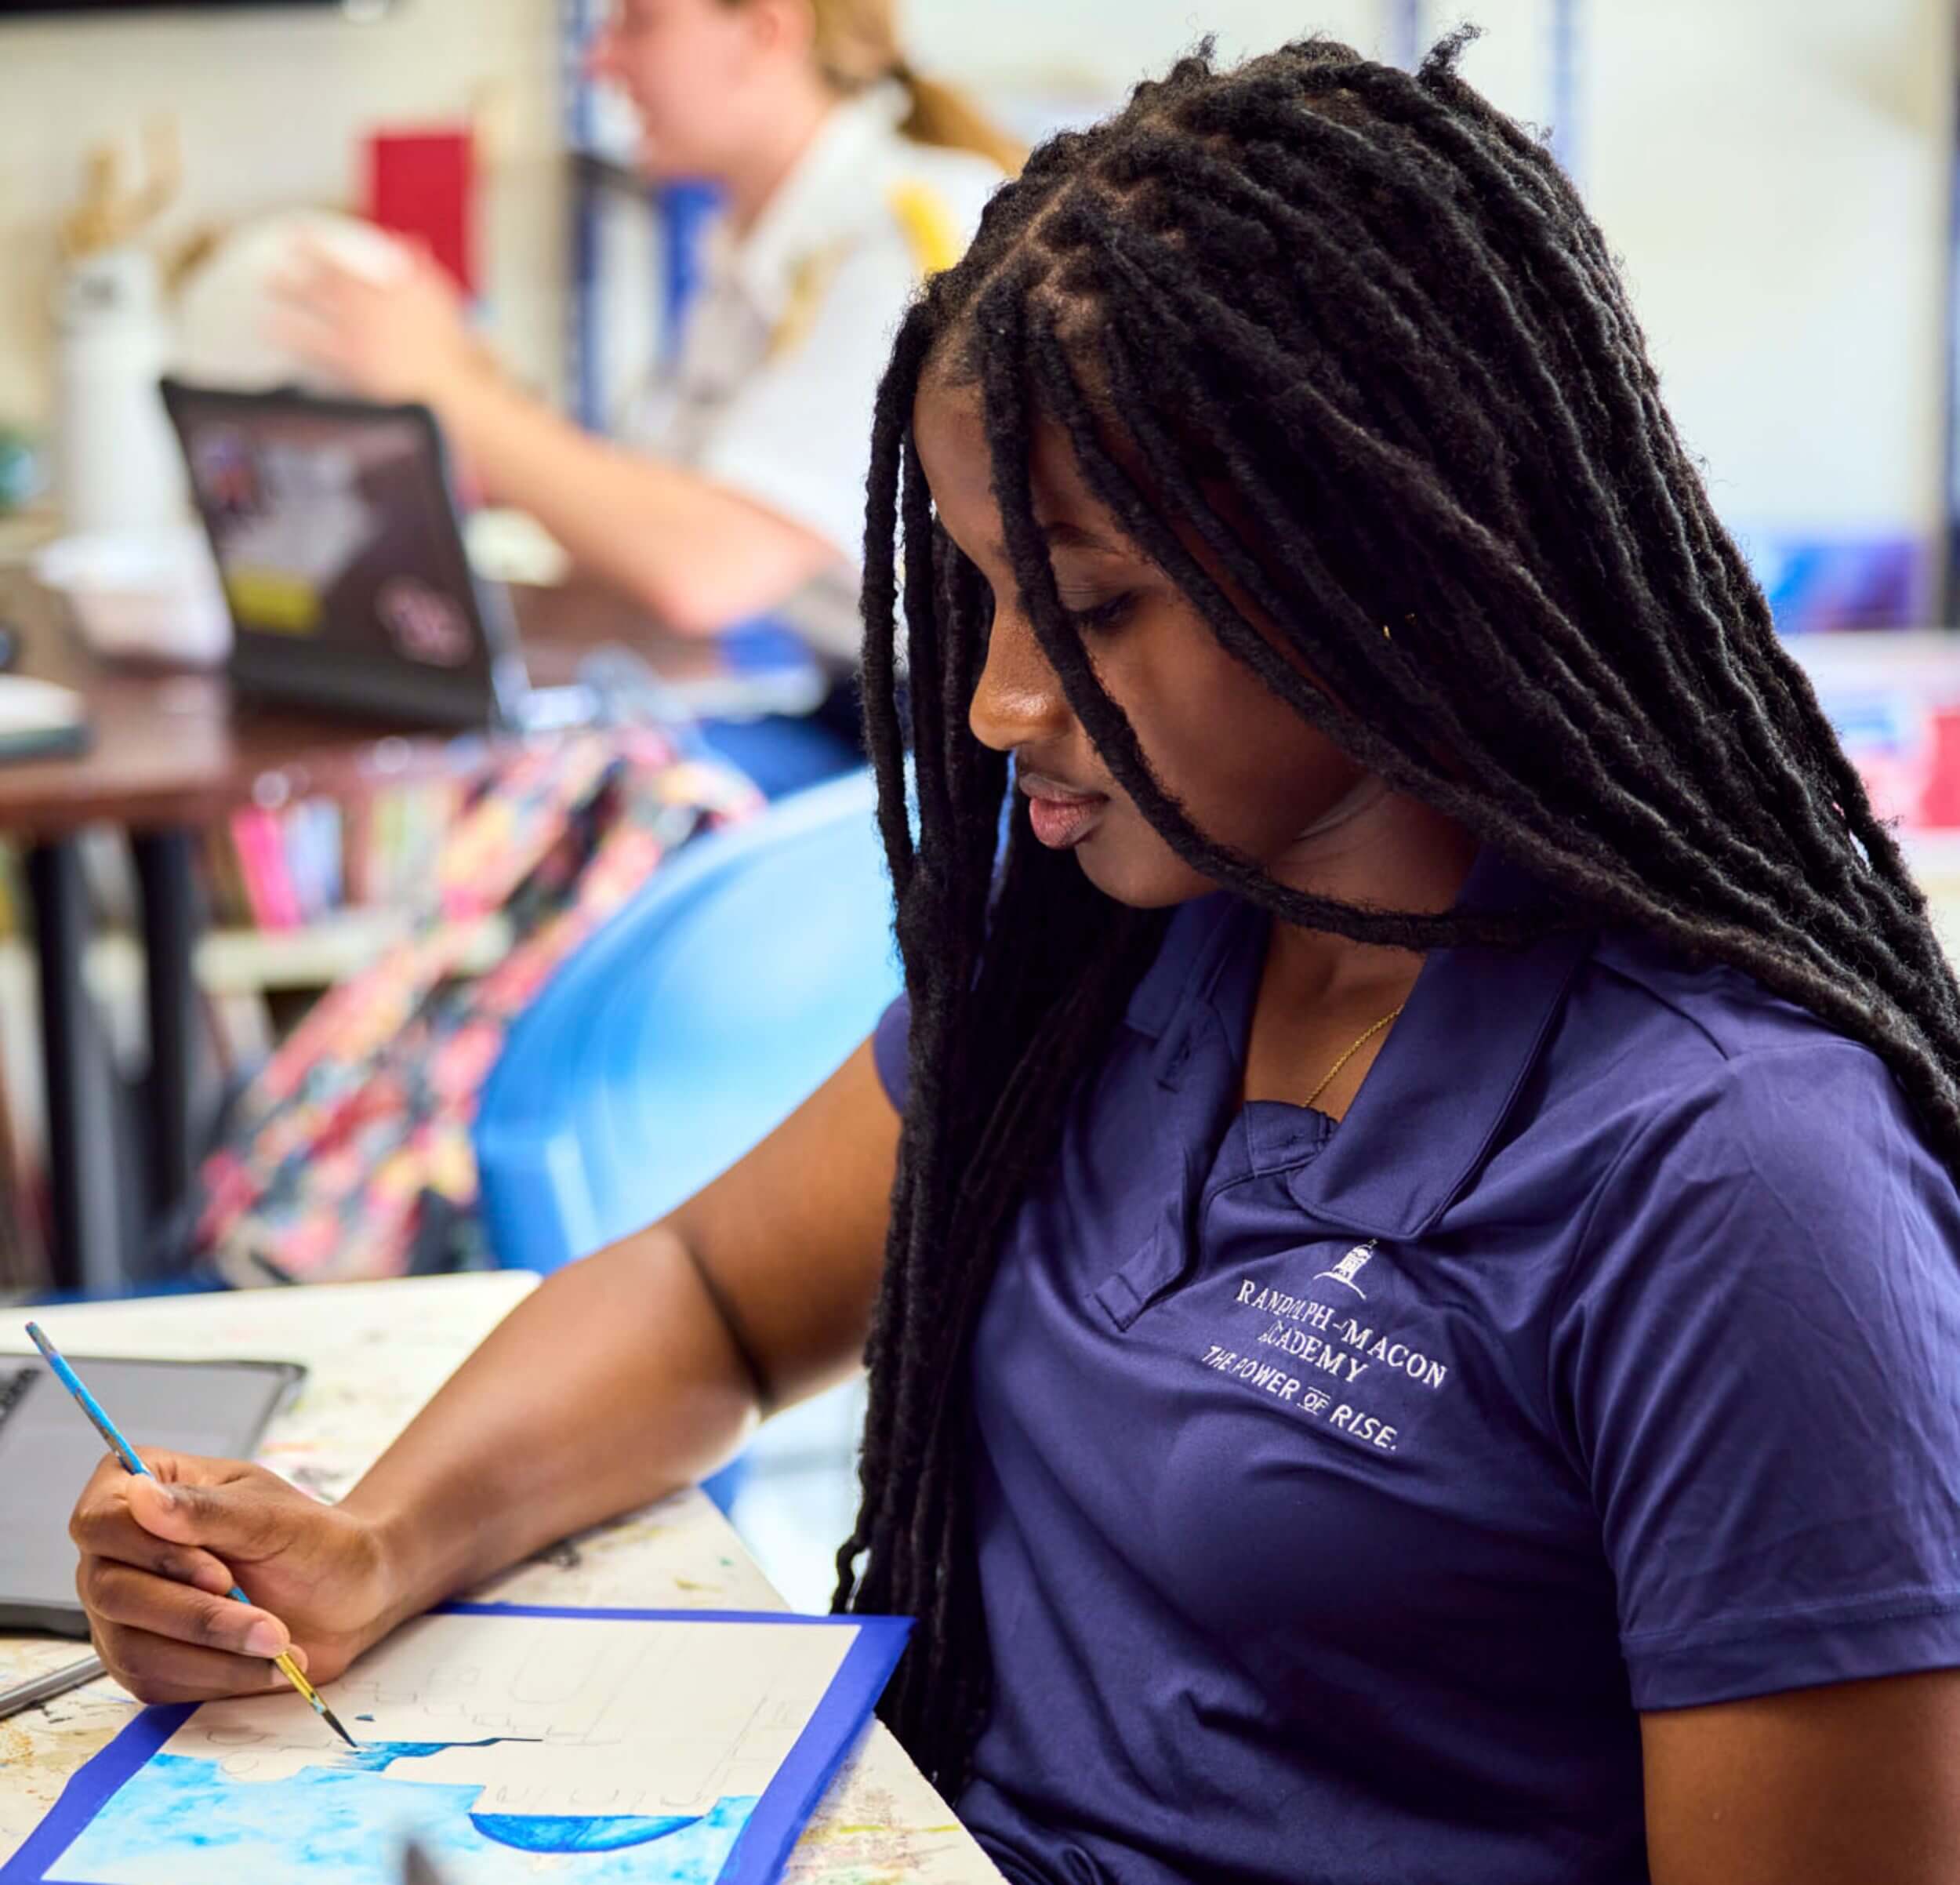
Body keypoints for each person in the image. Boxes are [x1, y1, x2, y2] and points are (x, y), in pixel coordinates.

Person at [70, 34, 1960, 1885]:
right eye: (981, 594)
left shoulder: (1741, 1178)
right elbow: (718, 1289)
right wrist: (372, 1541)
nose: (992, 701)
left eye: (1100, 605)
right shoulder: (1126, 959)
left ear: (1393, 560)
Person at [272, 0, 1017, 783]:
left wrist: (443, 388)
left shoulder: (903, 241)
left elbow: (706, 567)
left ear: (765, 29)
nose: (598, 61)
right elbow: (638, 557)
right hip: (850, 713)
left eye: (638, 21)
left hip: (962, 750)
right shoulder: (750, 255)